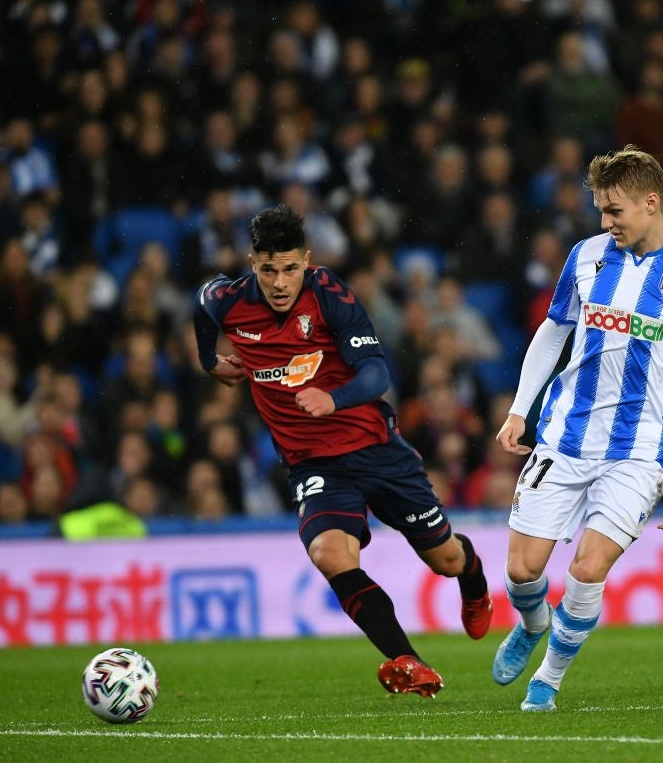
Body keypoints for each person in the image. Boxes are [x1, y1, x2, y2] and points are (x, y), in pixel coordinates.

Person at [193, 204, 492, 698]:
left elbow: (376, 372)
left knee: (445, 560)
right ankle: (409, 662)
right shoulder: (228, 300)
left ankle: (473, 572)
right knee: (330, 554)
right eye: (269, 270)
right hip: (314, 463)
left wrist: (333, 398)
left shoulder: (329, 294)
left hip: (375, 448)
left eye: (291, 268)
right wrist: (210, 361)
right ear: (252, 264)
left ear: (306, 260)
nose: (281, 282)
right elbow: (202, 305)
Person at [493, 146, 663, 711]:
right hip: (565, 437)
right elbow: (553, 332)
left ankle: (548, 678)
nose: (605, 222)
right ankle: (531, 623)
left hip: (640, 450)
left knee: (587, 566)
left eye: (614, 210)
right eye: (600, 210)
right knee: (523, 570)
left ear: (651, 202)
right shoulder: (587, 256)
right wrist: (520, 407)